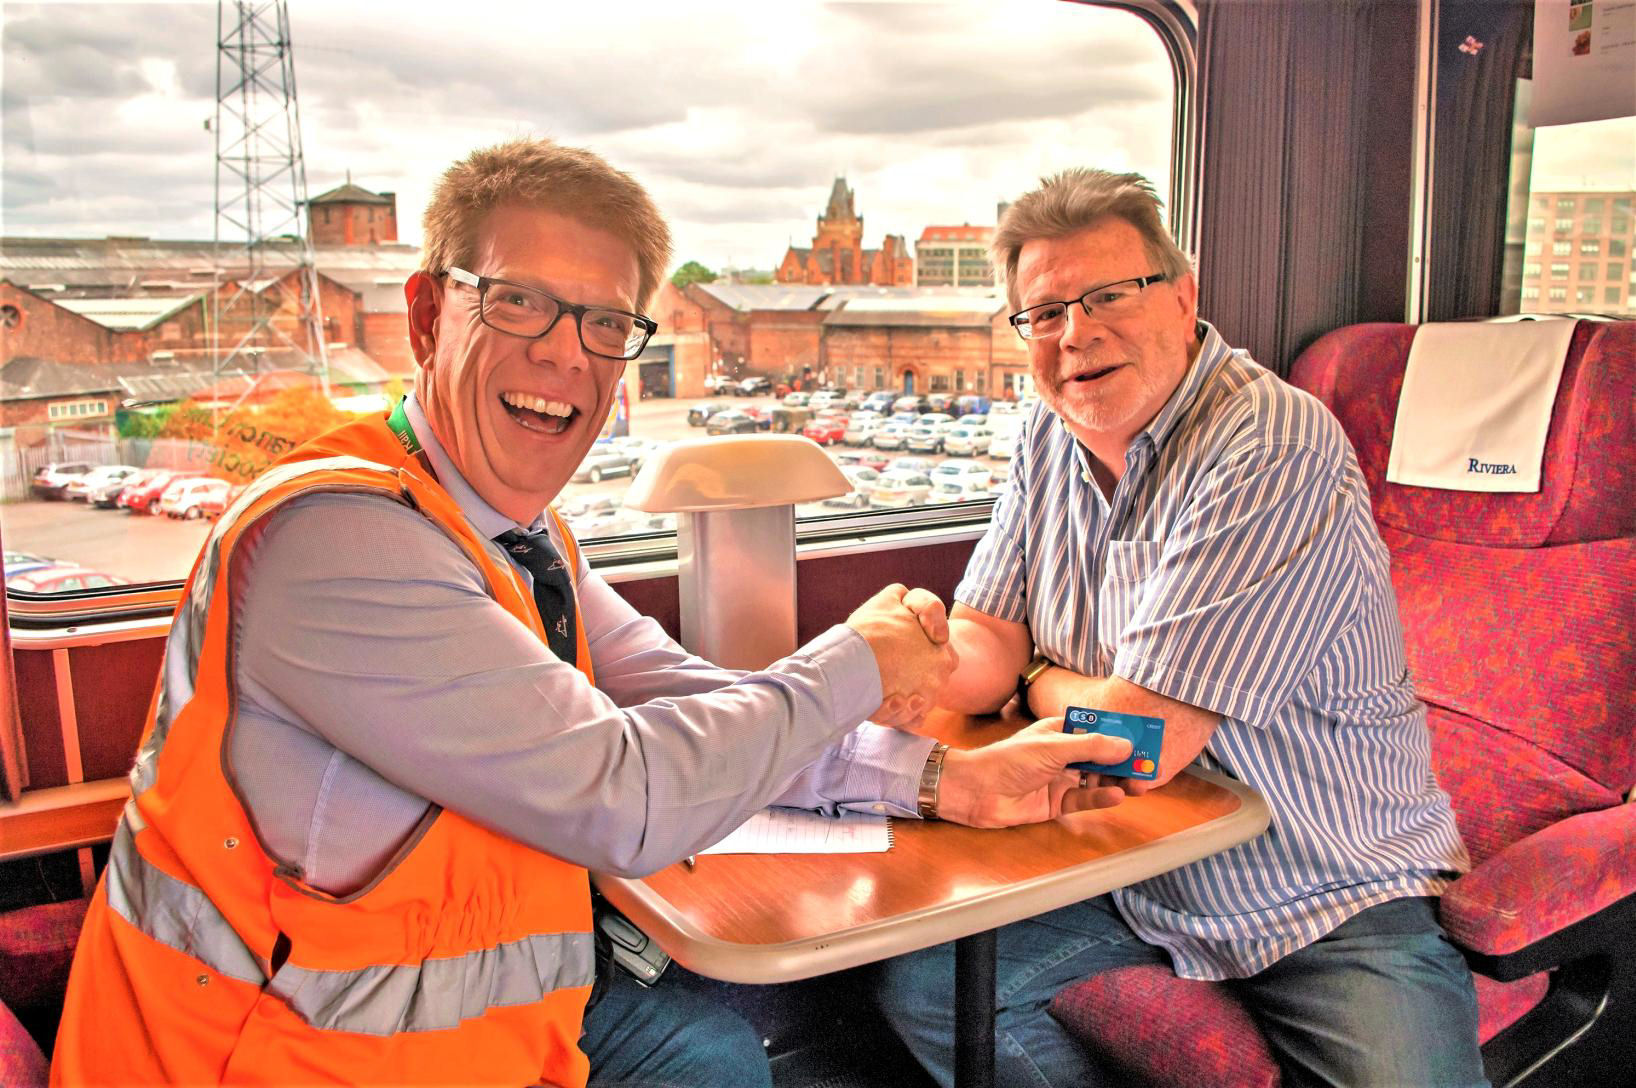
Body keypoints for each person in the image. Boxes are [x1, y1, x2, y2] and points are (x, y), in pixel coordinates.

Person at [51, 139, 1131, 1088]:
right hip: (270, 1057)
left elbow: (690, 698)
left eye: (606, 322)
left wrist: (944, 780)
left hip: (484, 1033)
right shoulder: (337, 543)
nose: (566, 352)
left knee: (716, 1052)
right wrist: (858, 660)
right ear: (427, 316)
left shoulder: (516, 535)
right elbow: (622, 793)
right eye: (519, 301)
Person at [875, 168, 1487, 1088]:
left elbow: (1141, 742)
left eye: (1108, 296)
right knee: (927, 984)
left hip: (1324, 886)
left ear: (1183, 296)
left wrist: (1037, 680)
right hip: (1129, 868)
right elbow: (989, 640)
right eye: (1045, 314)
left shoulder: (1269, 443)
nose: (1076, 333)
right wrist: (905, 657)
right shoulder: (1048, 433)